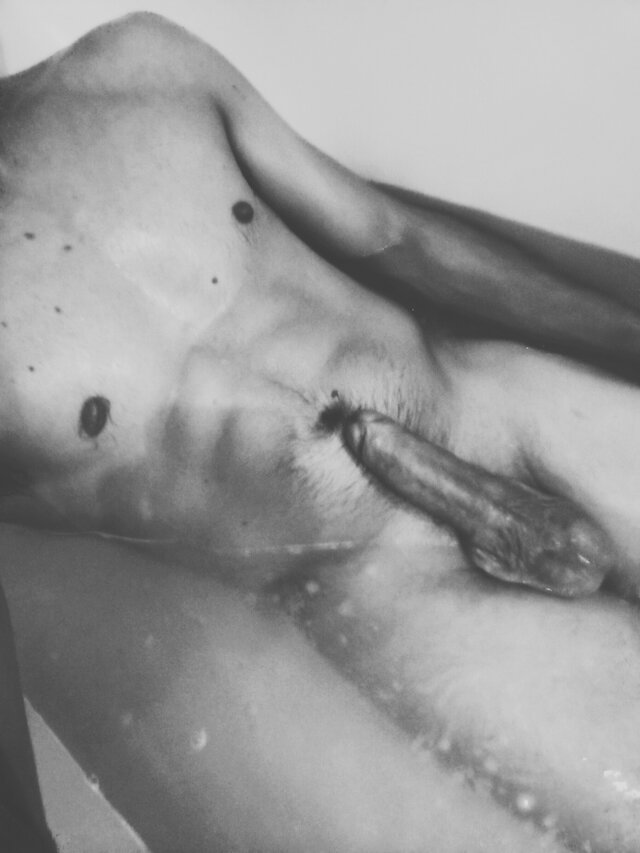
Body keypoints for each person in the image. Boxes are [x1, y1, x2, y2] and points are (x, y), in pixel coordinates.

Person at [1, 12, 640, 852]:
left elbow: (397, 239)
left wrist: (627, 331)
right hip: (386, 577)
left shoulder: (130, 66)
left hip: (501, 402)